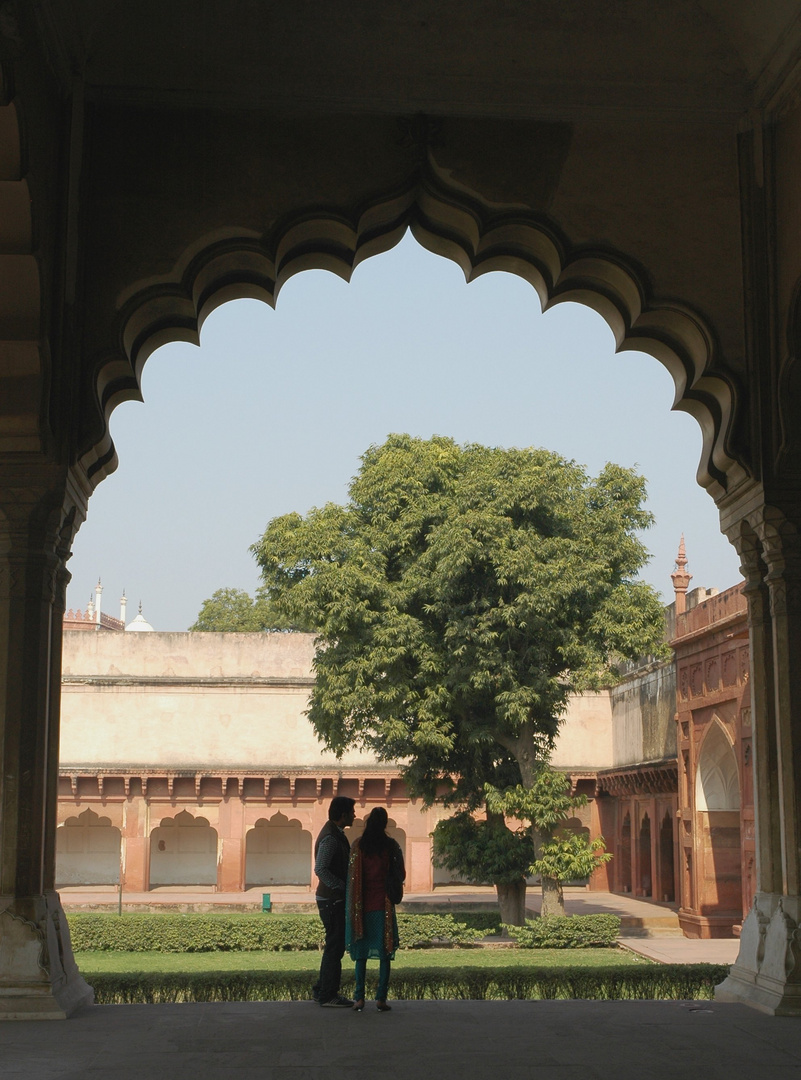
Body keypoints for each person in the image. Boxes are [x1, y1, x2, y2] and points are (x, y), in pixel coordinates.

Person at [346, 806, 406, 1012]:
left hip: (362, 907)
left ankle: (359, 999)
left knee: (361, 954)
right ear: (385, 824)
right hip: (383, 906)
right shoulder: (392, 847)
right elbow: (401, 874)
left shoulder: (358, 846)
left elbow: (351, 879)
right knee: (384, 953)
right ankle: (381, 998)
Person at [312, 795, 357, 1007]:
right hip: (331, 899)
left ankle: (322, 989)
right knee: (335, 947)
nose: (355, 815)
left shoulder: (336, 833)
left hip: (332, 898)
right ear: (343, 815)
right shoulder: (330, 837)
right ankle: (328, 994)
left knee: (334, 945)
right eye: (351, 812)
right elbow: (320, 868)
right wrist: (342, 886)